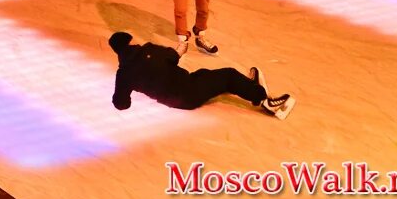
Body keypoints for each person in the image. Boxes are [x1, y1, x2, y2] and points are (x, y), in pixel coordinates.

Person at [107, 32, 294, 119]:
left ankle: (247, 86)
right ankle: (264, 101)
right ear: (130, 42)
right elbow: (173, 57)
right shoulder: (148, 50)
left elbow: (121, 104)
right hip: (188, 92)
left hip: (174, 100)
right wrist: (177, 51)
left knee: (204, 74)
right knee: (228, 75)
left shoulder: (123, 74)